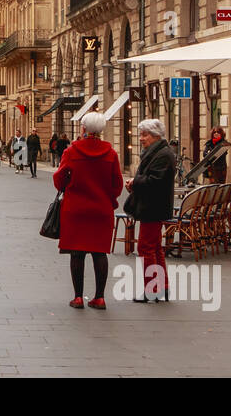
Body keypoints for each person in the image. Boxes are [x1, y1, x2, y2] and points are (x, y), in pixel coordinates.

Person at [55, 112, 123, 310]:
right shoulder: (111, 154)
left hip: (75, 209)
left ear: (83, 128)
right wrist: (109, 198)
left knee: (77, 253)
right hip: (101, 210)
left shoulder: (71, 152)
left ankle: (77, 297)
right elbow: (117, 184)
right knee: (99, 253)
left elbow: (59, 179)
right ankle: (100, 297)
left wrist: (69, 185)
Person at [124, 119, 176, 303]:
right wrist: (135, 183)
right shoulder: (157, 152)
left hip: (153, 207)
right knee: (155, 248)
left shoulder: (162, 155)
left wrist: (135, 182)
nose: (141, 138)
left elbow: (155, 181)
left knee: (145, 247)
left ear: (156, 135)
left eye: (145, 135)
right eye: (141, 134)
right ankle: (163, 287)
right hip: (152, 205)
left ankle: (152, 289)